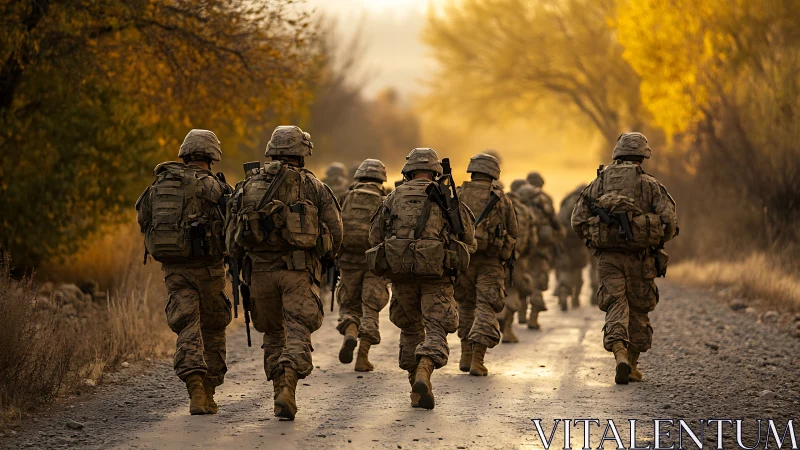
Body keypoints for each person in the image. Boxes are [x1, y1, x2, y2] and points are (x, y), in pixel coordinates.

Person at [225, 125, 343, 419]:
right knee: (298, 330)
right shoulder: (314, 186)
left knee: (273, 334)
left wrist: (238, 266)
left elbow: (231, 240)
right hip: (298, 272)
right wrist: (326, 256)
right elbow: (337, 231)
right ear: (302, 155)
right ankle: (289, 383)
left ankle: (280, 389)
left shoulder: (246, 186)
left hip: (259, 275)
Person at [367, 148, 476, 410]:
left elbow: (374, 237)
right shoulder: (447, 199)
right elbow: (469, 241)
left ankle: (415, 385)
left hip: (402, 275)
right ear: (436, 172)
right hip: (436, 276)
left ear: (408, 171)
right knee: (436, 327)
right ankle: (425, 369)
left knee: (410, 328)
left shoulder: (393, 197)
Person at [135, 129, 232, 415]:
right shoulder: (215, 187)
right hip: (209, 270)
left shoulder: (160, 184)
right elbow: (234, 224)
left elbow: (144, 219)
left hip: (175, 270)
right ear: (212, 156)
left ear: (185, 153)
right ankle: (210, 391)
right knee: (213, 328)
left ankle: (195, 391)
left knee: (187, 326)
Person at [571, 132, 678, 384]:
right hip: (641, 258)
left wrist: (595, 239)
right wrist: (654, 238)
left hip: (609, 259)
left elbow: (577, 220)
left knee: (615, 305)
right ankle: (631, 363)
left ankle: (619, 354)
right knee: (639, 310)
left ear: (617, 154)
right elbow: (669, 221)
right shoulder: (650, 185)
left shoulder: (598, 183)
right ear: (643, 155)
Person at [454, 153, 517, 376]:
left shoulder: (458, 195)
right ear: (493, 174)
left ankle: (465, 353)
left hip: (463, 260)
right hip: (491, 262)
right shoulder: (502, 199)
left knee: (465, 306)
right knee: (486, 307)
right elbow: (514, 231)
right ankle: (477, 359)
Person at [336, 159, 391, 372]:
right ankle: (362, 357)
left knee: (349, 304)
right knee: (370, 307)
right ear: (381, 179)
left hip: (348, 260)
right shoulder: (385, 199)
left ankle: (350, 330)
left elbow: (335, 226)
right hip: (375, 262)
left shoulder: (345, 197)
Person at [517, 176, 566, 329]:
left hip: (522, 249)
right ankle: (533, 318)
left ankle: (521, 313)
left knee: (521, 279)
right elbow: (555, 223)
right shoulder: (544, 199)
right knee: (537, 283)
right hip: (540, 250)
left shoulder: (517, 197)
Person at [498, 186, 538, 343]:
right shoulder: (524, 210)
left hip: (494, 258)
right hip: (516, 259)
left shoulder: (496, 204)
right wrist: (524, 256)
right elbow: (532, 240)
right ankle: (507, 326)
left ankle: (498, 316)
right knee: (513, 291)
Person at [554, 185, 591, 310]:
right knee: (578, 269)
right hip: (579, 241)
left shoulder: (566, 200)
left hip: (565, 240)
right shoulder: (586, 202)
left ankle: (563, 293)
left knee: (565, 268)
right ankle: (575, 298)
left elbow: (559, 219)